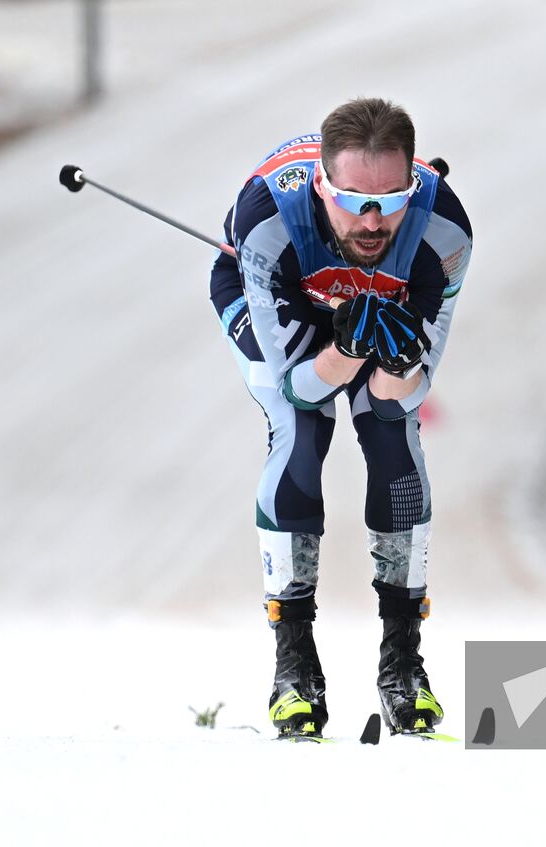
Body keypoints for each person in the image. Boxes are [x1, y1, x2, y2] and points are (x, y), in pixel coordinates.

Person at [208, 98, 472, 738]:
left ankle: (403, 663)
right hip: (283, 297)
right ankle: (293, 664)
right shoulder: (268, 222)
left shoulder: (443, 232)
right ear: (324, 184)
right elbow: (301, 388)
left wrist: (398, 354)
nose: (374, 220)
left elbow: (395, 398)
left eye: (392, 197)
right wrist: (348, 346)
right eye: (353, 200)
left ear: (416, 181)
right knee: (300, 436)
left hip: (386, 302)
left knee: (393, 441)